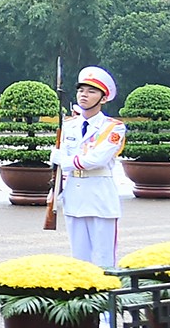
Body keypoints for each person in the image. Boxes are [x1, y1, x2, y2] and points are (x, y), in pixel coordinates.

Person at [54, 67, 127, 270]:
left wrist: (65, 161)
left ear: (103, 99)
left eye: (91, 91)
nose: (84, 95)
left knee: (104, 261)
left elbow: (97, 159)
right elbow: (59, 162)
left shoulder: (113, 127)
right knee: (79, 261)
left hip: (100, 196)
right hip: (74, 195)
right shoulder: (68, 125)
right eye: (81, 90)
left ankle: (106, 301)